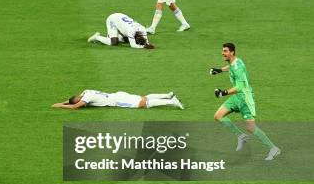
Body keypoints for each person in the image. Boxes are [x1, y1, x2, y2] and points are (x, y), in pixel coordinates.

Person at [211, 43, 281, 160]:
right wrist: (219, 70)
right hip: (237, 98)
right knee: (218, 116)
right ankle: (241, 136)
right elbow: (231, 67)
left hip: (245, 99)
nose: (223, 53)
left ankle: (273, 149)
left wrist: (223, 92)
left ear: (232, 52)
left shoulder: (238, 68)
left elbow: (239, 87)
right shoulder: (236, 61)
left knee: (251, 127)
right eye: (223, 51)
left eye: (225, 51)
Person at [52, 90, 183, 110]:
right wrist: (63, 102)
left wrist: (61, 106)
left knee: (144, 104)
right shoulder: (86, 91)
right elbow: (74, 101)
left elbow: (74, 107)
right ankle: (168, 95)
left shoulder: (86, 98)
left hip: (117, 101)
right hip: (118, 94)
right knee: (144, 98)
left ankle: (172, 101)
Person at [87, 13, 154, 49]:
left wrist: (148, 44)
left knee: (127, 40)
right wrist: (143, 47)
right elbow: (133, 45)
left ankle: (114, 35)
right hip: (112, 20)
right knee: (114, 43)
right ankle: (97, 37)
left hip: (121, 18)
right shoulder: (131, 31)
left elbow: (146, 42)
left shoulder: (143, 29)